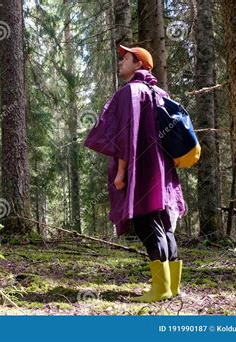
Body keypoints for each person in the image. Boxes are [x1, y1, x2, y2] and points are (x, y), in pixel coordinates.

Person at [83, 45, 187, 303]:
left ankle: (161, 289)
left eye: (125, 59)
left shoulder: (130, 92)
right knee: (163, 225)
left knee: (145, 224)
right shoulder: (159, 93)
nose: (121, 62)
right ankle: (172, 287)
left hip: (141, 171)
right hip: (163, 172)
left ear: (138, 64)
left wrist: (121, 173)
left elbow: (124, 137)